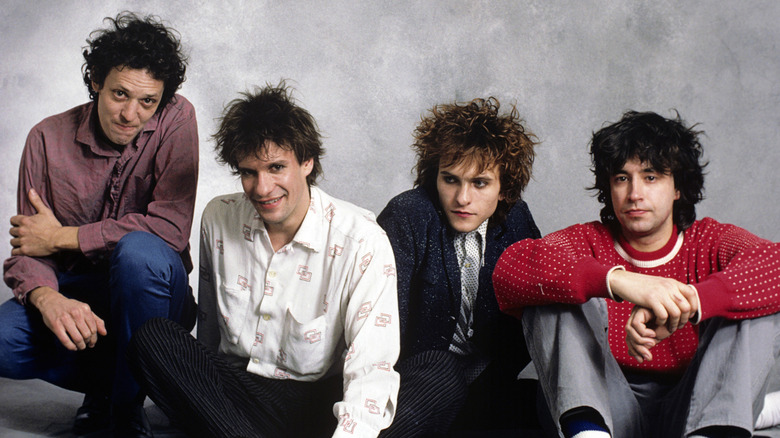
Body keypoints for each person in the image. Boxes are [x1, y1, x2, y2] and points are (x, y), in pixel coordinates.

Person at [128, 82, 400, 438]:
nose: (262, 188)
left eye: (275, 168)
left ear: (307, 161)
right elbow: (208, 335)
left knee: (433, 380)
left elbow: (369, 365)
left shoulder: (361, 239)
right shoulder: (219, 217)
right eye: (248, 172)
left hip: (319, 404)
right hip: (241, 394)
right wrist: (197, 397)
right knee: (152, 337)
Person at [492, 110, 780, 438]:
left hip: (692, 410)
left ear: (678, 188)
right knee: (551, 286)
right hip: (606, 408)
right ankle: (588, 434)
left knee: (753, 301)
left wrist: (689, 301)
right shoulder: (587, 240)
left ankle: (715, 431)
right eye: (621, 178)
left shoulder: (709, 240)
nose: (634, 194)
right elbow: (510, 268)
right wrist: (620, 281)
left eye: (651, 176)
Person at [0, 12, 198, 437]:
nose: (131, 114)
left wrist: (63, 237)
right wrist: (48, 299)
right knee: (2, 340)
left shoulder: (177, 119)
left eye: (148, 102)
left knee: (139, 252)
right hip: (82, 296)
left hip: (158, 297)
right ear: (95, 82)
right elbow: (29, 249)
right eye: (119, 94)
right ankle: (109, 387)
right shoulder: (45, 138)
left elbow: (170, 228)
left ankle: (125, 408)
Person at [377, 97, 541, 436]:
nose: (462, 198)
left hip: (484, 383)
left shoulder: (517, 219)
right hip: (416, 386)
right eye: (450, 180)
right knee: (441, 372)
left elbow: (532, 313)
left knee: (535, 406)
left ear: (504, 187)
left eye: (479, 183)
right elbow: (380, 331)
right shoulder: (408, 216)